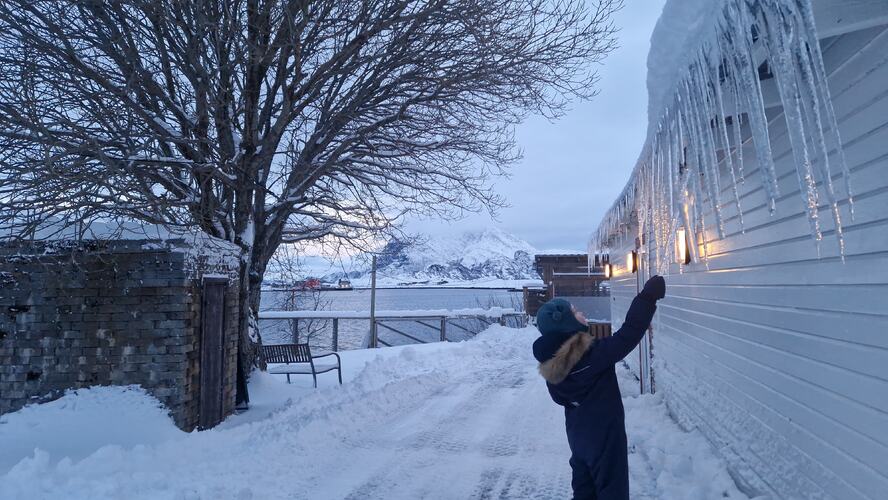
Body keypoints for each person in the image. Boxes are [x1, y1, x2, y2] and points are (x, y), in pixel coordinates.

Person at [532, 276, 666, 500]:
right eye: (576, 312)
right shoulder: (592, 357)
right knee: (612, 491)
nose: (582, 314)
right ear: (566, 324)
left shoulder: (555, 367)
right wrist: (647, 297)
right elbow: (629, 333)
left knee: (584, 491)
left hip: (578, 439)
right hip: (604, 439)